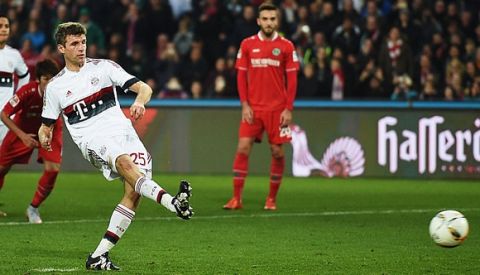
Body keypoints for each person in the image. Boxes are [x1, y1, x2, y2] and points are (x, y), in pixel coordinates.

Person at [39, 22, 193, 271]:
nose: (81, 48)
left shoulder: (105, 67)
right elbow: (45, 124)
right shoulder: (56, 87)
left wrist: (141, 102)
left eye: (83, 42)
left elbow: (144, 87)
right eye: (74, 44)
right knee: (125, 164)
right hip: (92, 138)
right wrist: (43, 134)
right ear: (61, 48)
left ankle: (98, 256)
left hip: (123, 133)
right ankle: (173, 203)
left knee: (134, 191)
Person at [223, 3, 299, 211]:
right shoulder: (247, 44)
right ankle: (236, 198)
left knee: (277, 152)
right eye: (265, 19)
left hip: (277, 110)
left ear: (277, 21)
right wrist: (245, 105)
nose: (269, 22)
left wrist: (288, 108)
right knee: (243, 147)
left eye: (272, 19)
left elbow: (292, 80)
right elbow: (241, 76)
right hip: (253, 109)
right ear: (258, 21)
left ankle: (271, 199)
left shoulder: (286, 46)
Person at [0, 59, 62, 224]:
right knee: (1, 168)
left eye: (53, 79)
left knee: (53, 169)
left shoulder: (62, 92)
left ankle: (33, 208)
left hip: (51, 129)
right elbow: (4, 114)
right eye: (45, 79)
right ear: (38, 80)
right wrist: (23, 136)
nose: (49, 83)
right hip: (24, 130)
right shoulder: (27, 91)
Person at [0, 14, 30, 143]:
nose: (4, 29)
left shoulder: (14, 55)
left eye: (7, 26)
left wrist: (17, 99)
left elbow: (25, 76)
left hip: (6, 118)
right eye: (0, 26)